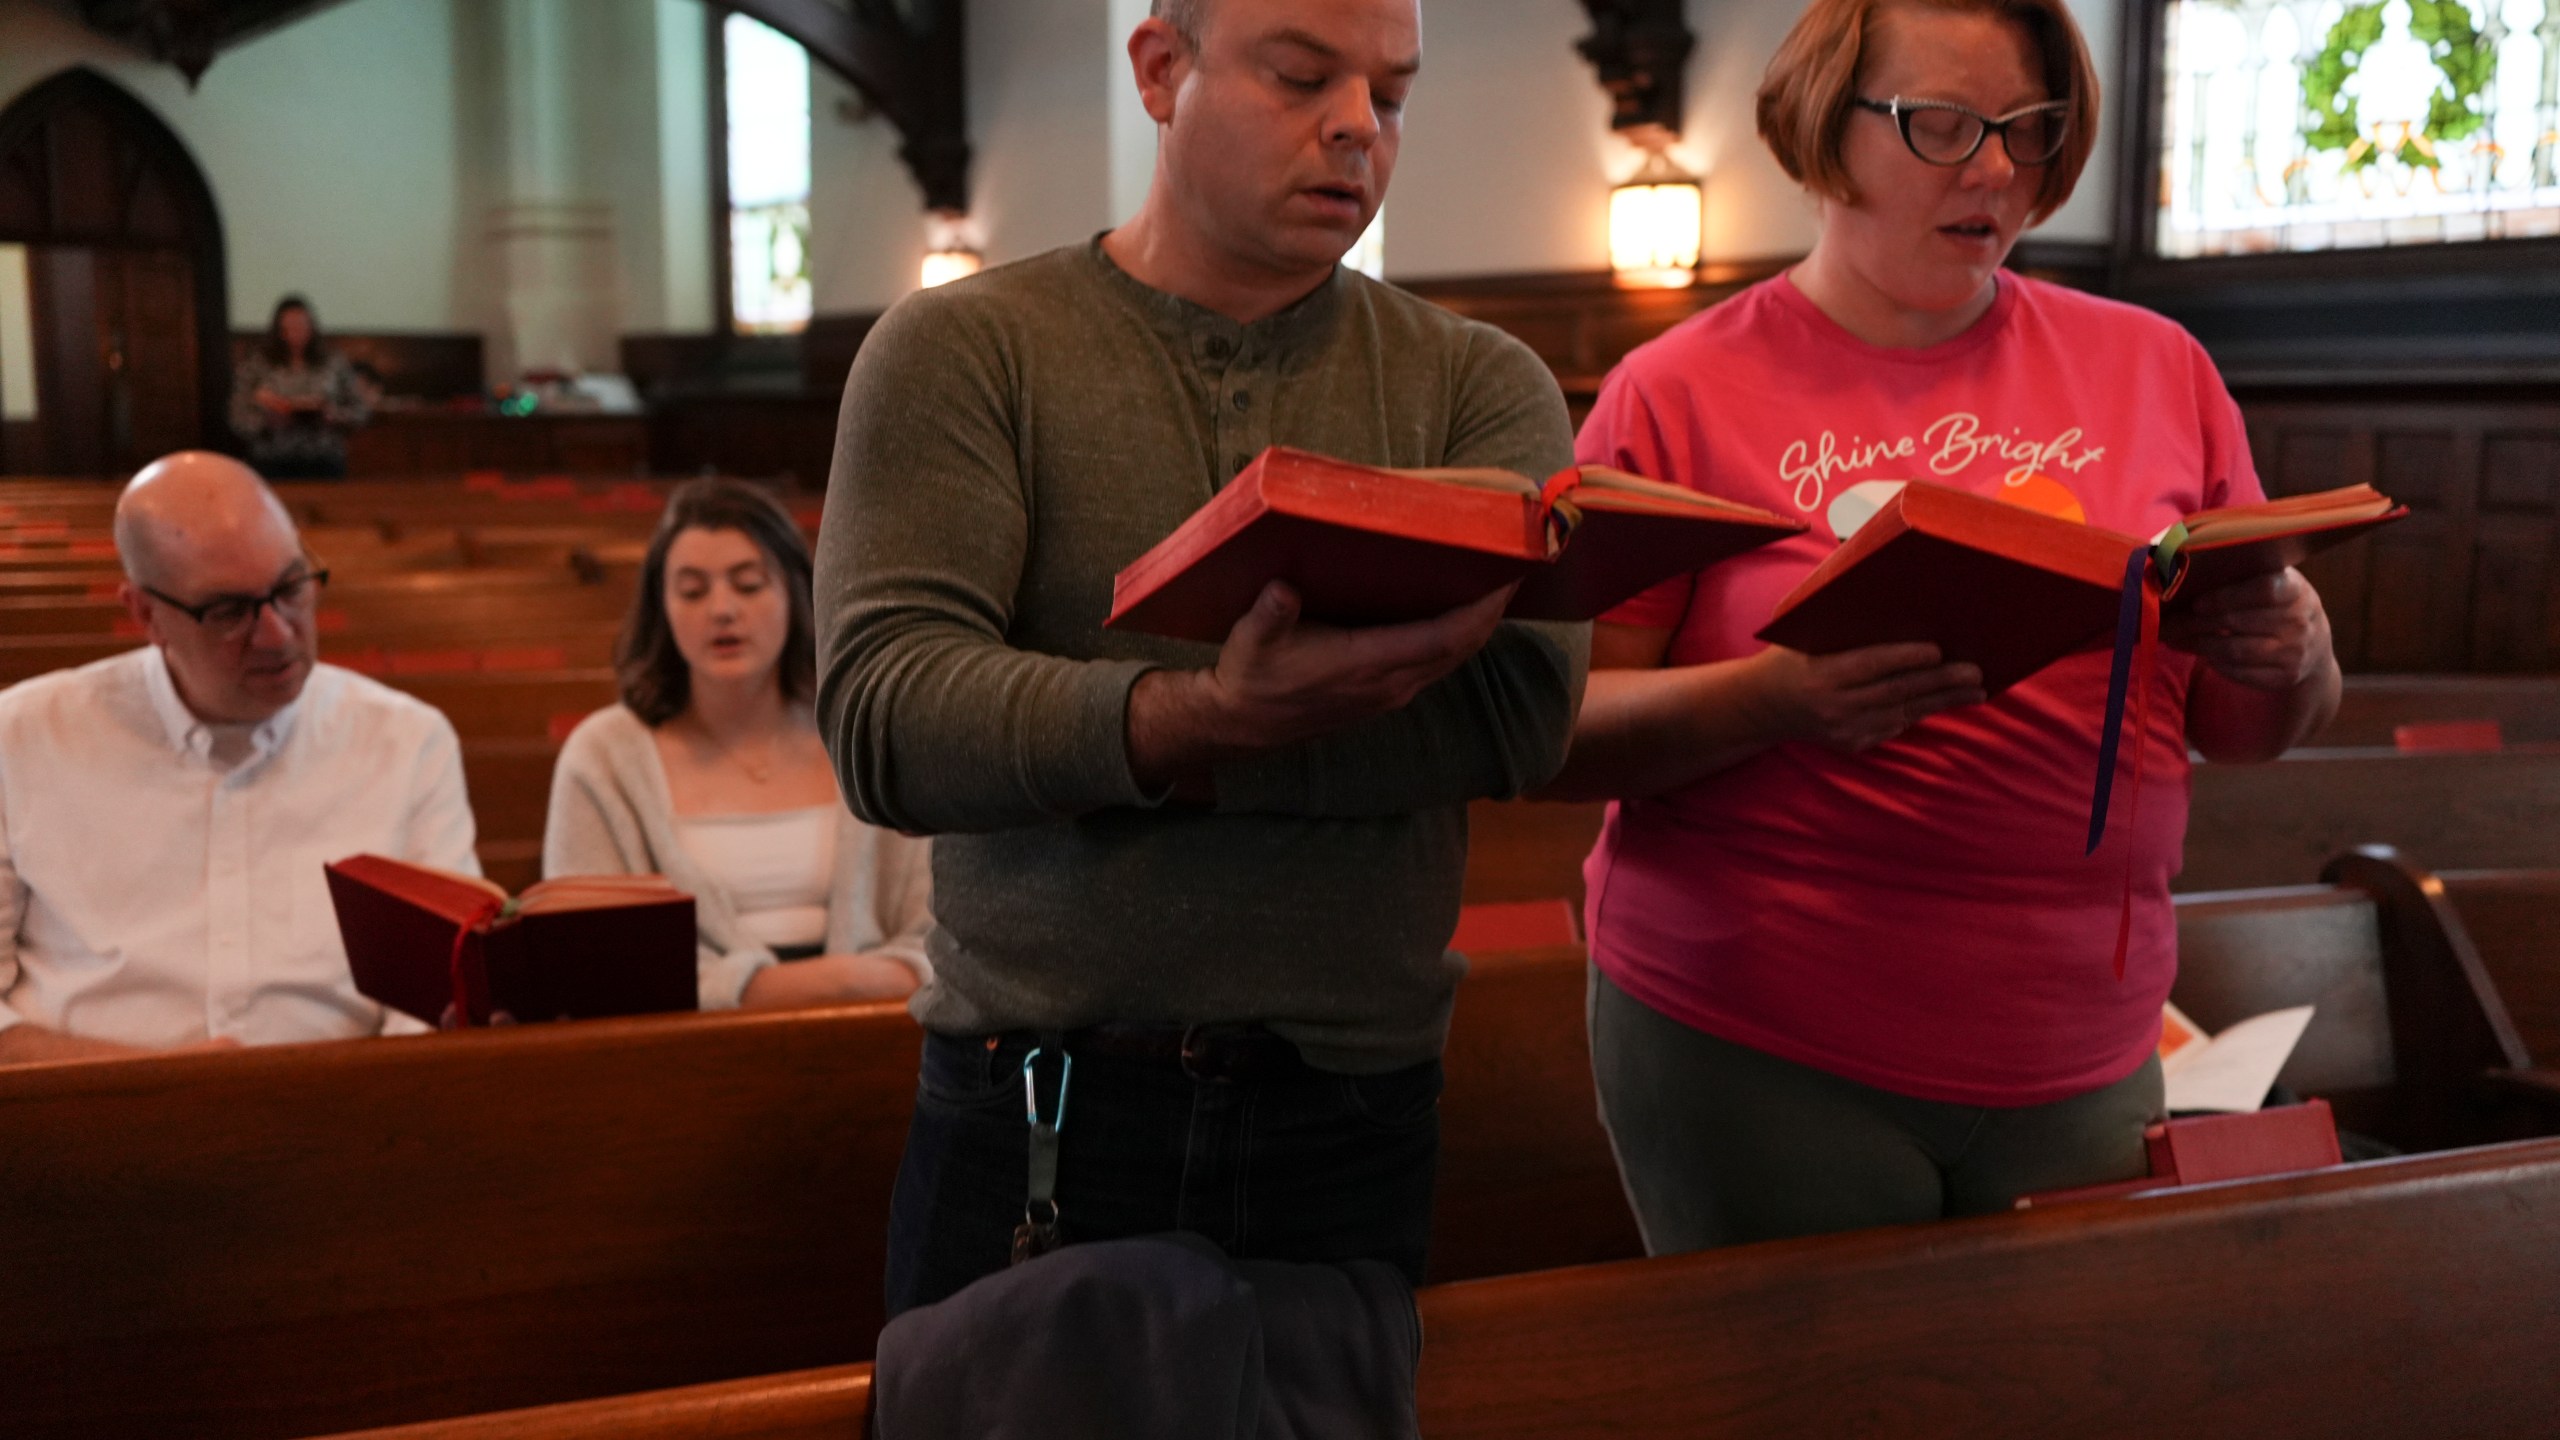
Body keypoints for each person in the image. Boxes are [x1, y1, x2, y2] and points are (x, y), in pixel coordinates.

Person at [819, 0, 1586, 1316]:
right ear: (1161, 69)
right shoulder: (964, 348)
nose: (1356, 124)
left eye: (1391, 96)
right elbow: (892, 719)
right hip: (1041, 1089)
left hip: (1352, 1098)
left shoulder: (1476, 382)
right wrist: (1196, 716)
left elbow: (1514, 719)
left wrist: (1153, 743)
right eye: (1302, 77)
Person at [1541, 0, 2344, 1251]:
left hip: (2080, 1033)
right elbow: (1552, 731)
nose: (1995, 171)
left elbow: (2247, 729)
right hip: (1760, 1038)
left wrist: (2295, 652)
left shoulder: (2156, 367)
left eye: (2027, 132)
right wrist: (1779, 700)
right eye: (1942, 125)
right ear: (1824, 128)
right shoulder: (1677, 391)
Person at [0, 452, 479, 1063]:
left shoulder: (408, 740)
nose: (277, 635)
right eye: (228, 611)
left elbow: (436, 995)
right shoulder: (20, 738)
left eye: (290, 589)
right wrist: (151, 1083)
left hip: (341, 1120)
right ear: (147, 615)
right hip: (87, 1118)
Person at [544, 478, 931, 1012]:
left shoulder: (868, 734)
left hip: (873, 1035)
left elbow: (943, 932)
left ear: (796, 593)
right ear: (663, 608)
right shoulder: (605, 756)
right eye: (693, 590)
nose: (722, 609)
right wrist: (803, 988)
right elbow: (589, 964)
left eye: (748, 585)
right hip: (680, 1054)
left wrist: (877, 984)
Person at [229, 295, 372, 480]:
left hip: (323, 459)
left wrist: (333, 416)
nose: (297, 332)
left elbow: (360, 411)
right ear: (279, 330)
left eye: (302, 325)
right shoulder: (257, 364)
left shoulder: (333, 362)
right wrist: (266, 422)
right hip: (272, 460)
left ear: (312, 327)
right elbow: (237, 414)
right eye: (290, 327)